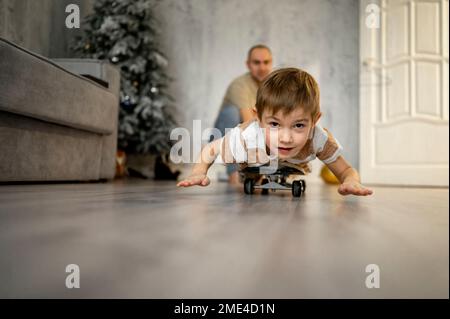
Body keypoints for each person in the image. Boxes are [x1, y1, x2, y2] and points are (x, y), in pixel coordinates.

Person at [178, 67, 373, 197]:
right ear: (258, 118)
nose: (286, 138)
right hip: (253, 159)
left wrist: (351, 181)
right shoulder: (247, 135)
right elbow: (210, 150)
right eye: (274, 124)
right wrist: (198, 171)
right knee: (247, 174)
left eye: (298, 126)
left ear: (315, 121)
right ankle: (252, 177)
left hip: (293, 164)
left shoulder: (318, 138)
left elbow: (346, 170)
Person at [212, 44, 273, 184]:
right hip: (224, 136)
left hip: (255, 138)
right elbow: (249, 122)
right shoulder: (239, 85)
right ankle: (233, 174)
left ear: (271, 62)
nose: (262, 67)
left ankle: (255, 173)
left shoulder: (273, 86)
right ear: (248, 64)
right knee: (231, 113)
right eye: (256, 62)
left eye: (266, 62)